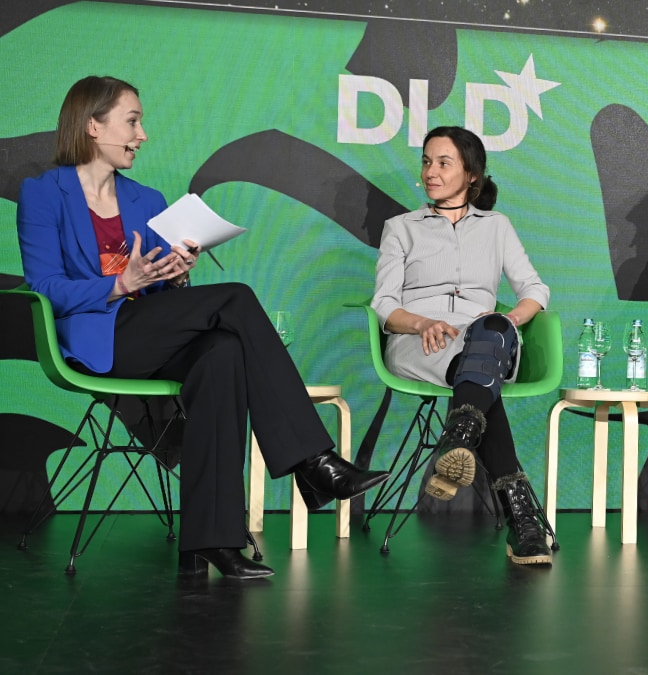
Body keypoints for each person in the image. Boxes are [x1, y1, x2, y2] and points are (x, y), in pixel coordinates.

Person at [16, 75, 389, 579]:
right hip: (98, 339)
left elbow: (162, 296)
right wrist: (120, 285)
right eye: (132, 121)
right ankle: (315, 463)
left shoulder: (146, 199)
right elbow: (44, 287)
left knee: (222, 354)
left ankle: (211, 541)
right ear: (92, 125)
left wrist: (174, 275)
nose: (142, 134)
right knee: (236, 298)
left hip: (150, 331)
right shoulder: (44, 194)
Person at [371, 126, 554, 565]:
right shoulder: (401, 227)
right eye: (427, 162)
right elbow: (383, 303)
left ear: (471, 174)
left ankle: (459, 437)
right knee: (483, 377)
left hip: (486, 339)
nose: (430, 172)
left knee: (486, 340)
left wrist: (508, 322)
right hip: (423, 342)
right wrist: (420, 322)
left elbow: (534, 289)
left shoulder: (497, 227)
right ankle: (520, 518)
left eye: (443, 163)